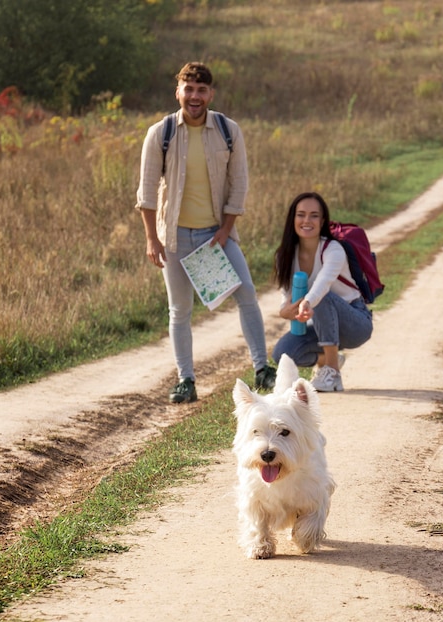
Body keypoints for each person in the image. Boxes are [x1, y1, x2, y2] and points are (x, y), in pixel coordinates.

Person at [135, 61, 276, 403]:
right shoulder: (161, 132)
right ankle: (186, 380)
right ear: (178, 92)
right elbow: (147, 191)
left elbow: (239, 183)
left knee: (247, 295)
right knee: (180, 310)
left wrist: (226, 230)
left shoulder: (229, 130)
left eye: (201, 90)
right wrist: (152, 239)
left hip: (217, 235)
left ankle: (262, 369)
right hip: (175, 239)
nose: (194, 96)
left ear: (211, 94)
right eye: (189, 89)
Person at [272, 192, 373, 392]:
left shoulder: (333, 249)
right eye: (301, 215)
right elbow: (286, 299)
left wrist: (307, 303)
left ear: (323, 220)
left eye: (314, 215)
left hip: (355, 323)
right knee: (282, 353)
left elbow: (322, 285)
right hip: (320, 324)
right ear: (293, 219)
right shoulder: (284, 256)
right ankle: (329, 358)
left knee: (323, 298)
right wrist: (285, 311)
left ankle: (332, 373)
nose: (306, 220)